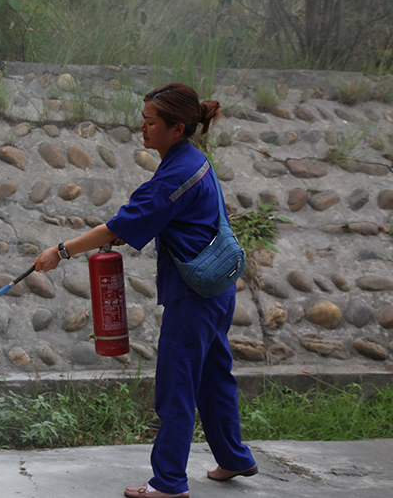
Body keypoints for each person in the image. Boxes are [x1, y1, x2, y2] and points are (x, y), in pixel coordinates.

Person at [33, 83, 257, 498]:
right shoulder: (193, 160)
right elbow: (156, 220)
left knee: (177, 385)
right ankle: (234, 457)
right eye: (144, 119)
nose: (142, 127)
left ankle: (168, 482)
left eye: (150, 122)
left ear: (176, 128)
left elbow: (118, 227)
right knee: (214, 378)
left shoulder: (174, 174)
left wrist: (60, 251)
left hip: (192, 298)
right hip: (218, 289)